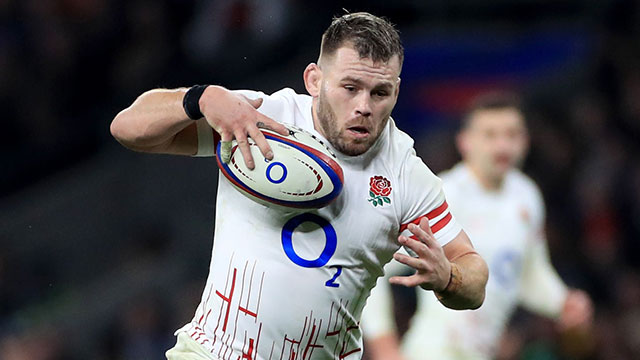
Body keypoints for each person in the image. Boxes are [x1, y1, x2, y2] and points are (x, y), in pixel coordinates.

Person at [110, 12, 488, 360]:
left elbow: (473, 277)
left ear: (396, 92)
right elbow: (127, 129)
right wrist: (199, 98)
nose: (363, 106)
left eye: (379, 93)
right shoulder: (258, 118)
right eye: (350, 87)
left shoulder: (405, 174)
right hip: (212, 352)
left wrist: (450, 278)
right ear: (314, 80)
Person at [361, 93, 594, 360]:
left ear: (526, 141)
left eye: (512, 134)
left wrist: (562, 302)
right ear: (465, 142)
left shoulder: (526, 196)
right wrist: (384, 345)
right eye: (490, 135)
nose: (502, 145)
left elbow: (527, 273)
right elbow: (375, 267)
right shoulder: (441, 195)